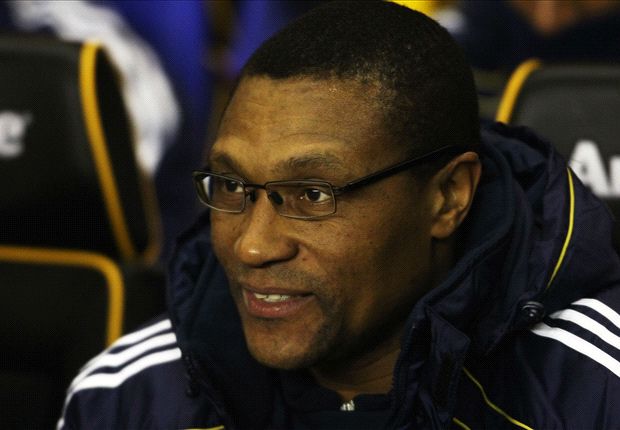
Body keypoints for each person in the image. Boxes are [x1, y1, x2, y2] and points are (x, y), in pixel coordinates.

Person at [57, 2, 620, 429]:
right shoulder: (125, 396)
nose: (253, 246)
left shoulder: (594, 392)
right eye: (231, 186)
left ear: (448, 198)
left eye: (312, 194)